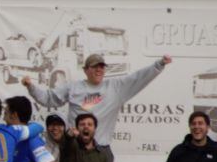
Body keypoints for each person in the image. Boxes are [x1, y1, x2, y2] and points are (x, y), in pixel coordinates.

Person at [21, 54, 172, 147]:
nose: (99, 70)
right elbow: (49, 98)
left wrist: (159, 64)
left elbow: (139, 77)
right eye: (94, 67)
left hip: (101, 149)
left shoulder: (116, 87)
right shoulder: (73, 87)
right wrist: (31, 86)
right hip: (75, 146)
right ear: (86, 70)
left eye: (101, 67)